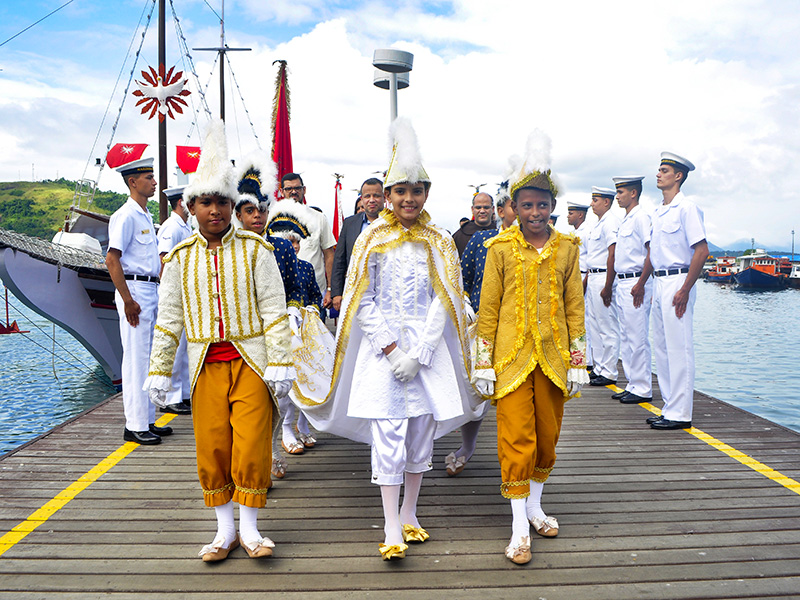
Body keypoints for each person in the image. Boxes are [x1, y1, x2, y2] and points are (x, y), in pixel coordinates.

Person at [293, 117, 484, 561]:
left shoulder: (439, 239)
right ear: (387, 195)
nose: (408, 199)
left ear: (427, 194)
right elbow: (362, 297)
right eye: (400, 191)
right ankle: (390, 521)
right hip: (384, 354)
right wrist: (393, 349)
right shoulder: (371, 238)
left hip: (427, 351)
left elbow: (445, 298)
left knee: (421, 430)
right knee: (388, 431)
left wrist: (420, 351)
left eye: (416, 191)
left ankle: (412, 511)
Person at [144, 120, 294, 562]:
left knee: (250, 442)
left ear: (233, 205)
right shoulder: (178, 259)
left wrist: (281, 362)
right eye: (206, 202)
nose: (216, 210)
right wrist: (158, 370)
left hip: (251, 360)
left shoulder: (256, 250)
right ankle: (223, 531)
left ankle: (250, 530)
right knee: (213, 444)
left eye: (222, 202)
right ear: (191, 206)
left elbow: (274, 311)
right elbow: (168, 320)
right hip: (205, 364)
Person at [473, 129, 588, 564]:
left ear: (553, 207)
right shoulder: (499, 247)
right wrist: (483, 362)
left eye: (543, 204)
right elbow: (488, 310)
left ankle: (536, 504)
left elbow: (574, 306)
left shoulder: (567, 249)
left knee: (547, 437)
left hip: (555, 357)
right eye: (527, 204)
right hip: (509, 357)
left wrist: (578, 359)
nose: (535, 212)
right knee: (516, 437)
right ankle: (519, 524)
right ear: (514, 208)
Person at [234, 153, 303, 479]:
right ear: (238, 214)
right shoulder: (228, 249)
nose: (258, 217)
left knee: (275, 398)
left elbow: (294, 288)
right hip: (239, 338)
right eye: (250, 211)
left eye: (262, 210)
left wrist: (291, 317)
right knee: (245, 407)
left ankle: (273, 447)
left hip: (274, 334)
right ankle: (254, 462)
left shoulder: (282, 248)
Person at [444, 181, 516, 477]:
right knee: (475, 391)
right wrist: (468, 308)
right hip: (481, 328)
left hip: (517, 332)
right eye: (517, 204)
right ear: (504, 211)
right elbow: (465, 281)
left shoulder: (539, 245)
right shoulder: (479, 241)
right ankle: (467, 447)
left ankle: (514, 457)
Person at [105, 157, 171, 445]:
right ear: (133, 182)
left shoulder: (144, 215)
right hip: (134, 291)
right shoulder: (126, 215)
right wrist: (128, 300)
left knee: (148, 358)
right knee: (135, 359)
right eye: (149, 177)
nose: (154, 182)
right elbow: (112, 259)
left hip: (150, 290)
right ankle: (134, 425)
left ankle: (147, 420)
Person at [645, 152, 707, 430]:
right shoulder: (659, 211)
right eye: (659, 170)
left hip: (678, 281)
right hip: (660, 282)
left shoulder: (687, 208)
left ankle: (681, 413)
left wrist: (685, 289)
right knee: (663, 348)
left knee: (679, 347)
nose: (658, 174)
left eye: (664, 170)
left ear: (678, 176)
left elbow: (701, 250)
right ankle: (670, 407)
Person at [611, 176, 653, 405]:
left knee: (637, 337)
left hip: (637, 281)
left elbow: (651, 251)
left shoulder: (641, 217)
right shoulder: (626, 219)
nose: (617, 196)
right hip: (623, 282)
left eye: (621, 192)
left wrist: (641, 284)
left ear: (633, 193)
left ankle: (643, 387)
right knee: (627, 337)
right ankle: (633, 384)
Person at [155, 185, 193, 416]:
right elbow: (164, 259)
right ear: (181, 202)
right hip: (176, 292)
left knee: (186, 348)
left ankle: (184, 394)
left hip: (186, 293)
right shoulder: (172, 226)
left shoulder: (185, 226)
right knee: (176, 348)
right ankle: (171, 397)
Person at [276, 173, 336, 311]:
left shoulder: (319, 218)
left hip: (314, 297)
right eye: (288, 189)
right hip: (282, 298)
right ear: (281, 191)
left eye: (297, 188)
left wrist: (330, 289)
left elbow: (329, 254)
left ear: (304, 190)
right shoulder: (274, 220)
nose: (293, 191)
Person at [331, 177, 385, 312]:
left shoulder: (394, 223)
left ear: (385, 197)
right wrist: (336, 293)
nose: (371, 200)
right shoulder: (350, 224)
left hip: (385, 293)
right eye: (367, 196)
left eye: (376, 196)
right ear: (362, 199)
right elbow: (339, 261)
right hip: (355, 292)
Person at [585, 187, 621, 387]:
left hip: (603, 277)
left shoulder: (611, 222)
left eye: (595, 200)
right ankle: (599, 368)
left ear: (606, 202)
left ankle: (609, 371)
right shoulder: (599, 224)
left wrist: (608, 285)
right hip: (594, 276)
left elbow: (613, 253)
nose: (592, 203)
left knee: (607, 326)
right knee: (595, 325)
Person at [566, 199, 593, 373]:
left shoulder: (587, 232)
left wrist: (585, 281)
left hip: (585, 277)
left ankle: (589, 360)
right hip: (575, 276)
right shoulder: (574, 232)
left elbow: (592, 258)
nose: (568, 216)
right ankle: (584, 357)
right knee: (579, 320)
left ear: (580, 215)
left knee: (588, 321)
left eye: (571, 213)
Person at [452, 192, 496, 257]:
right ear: (472, 209)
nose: (482, 211)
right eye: (478, 208)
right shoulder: (459, 236)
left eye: (486, 207)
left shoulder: (501, 231)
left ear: (493, 209)